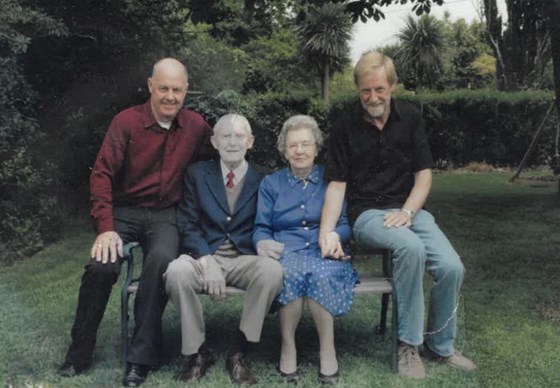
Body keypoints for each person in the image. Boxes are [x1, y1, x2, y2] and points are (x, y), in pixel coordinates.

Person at [57, 58, 215, 387]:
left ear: (186, 91)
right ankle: (79, 352)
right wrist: (106, 227)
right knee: (102, 267)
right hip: (123, 213)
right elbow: (101, 174)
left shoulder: (197, 126)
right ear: (150, 86)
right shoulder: (126, 122)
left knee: (160, 263)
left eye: (177, 89)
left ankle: (140, 360)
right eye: (164, 88)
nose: (170, 96)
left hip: (165, 215)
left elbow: (220, 160)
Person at [319, 51, 477, 379]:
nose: (372, 97)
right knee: (410, 247)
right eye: (365, 90)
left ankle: (441, 345)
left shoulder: (411, 116)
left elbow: (424, 175)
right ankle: (408, 345)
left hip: (409, 210)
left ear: (392, 86)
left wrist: (408, 211)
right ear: (358, 89)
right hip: (368, 215)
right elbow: (337, 184)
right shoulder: (344, 125)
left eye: (379, 89)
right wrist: (327, 231)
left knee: (451, 267)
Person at [163, 113, 283, 385]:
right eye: (225, 136)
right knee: (176, 271)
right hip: (205, 255)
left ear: (250, 141)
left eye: (239, 135)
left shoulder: (265, 178)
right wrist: (206, 260)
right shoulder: (197, 174)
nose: (232, 142)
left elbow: (268, 223)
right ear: (215, 142)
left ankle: (239, 350)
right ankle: (197, 352)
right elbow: (187, 224)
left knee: (272, 271)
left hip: (245, 258)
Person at [253, 115, 358, 385]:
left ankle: (328, 349)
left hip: (325, 253)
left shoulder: (331, 180)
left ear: (316, 148)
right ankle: (288, 347)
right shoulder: (271, 184)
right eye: (293, 146)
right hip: (287, 253)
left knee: (320, 274)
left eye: (306, 144)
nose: (300, 151)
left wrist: (334, 235)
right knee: (289, 274)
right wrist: (261, 242)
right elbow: (261, 228)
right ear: (284, 150)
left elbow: (345, 224)